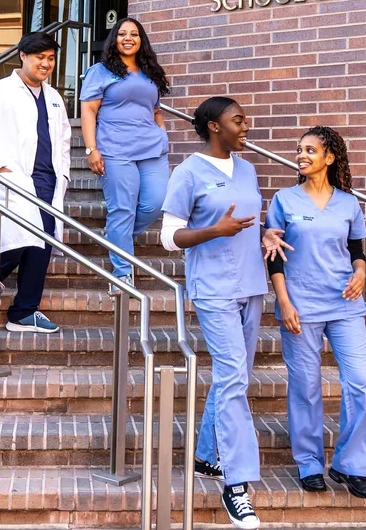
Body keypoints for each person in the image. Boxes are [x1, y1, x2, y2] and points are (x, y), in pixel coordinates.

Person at [160, 96, 266, 530]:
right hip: (214, 288)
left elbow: (250, 223)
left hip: (251, 285)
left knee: (230, 377)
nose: (246, 125)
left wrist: (269, 233)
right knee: (235, 377)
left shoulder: (247, 169)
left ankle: (206, 457)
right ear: (213, 126)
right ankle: (236, 484)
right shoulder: (188, 172)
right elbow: (169, 237)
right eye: (238, 120)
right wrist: (213, 231)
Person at [263, 126, 366, 499]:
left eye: (311, 149)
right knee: (306, 388)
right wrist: (283, 301)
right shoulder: (284, 200)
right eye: (299, 149)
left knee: (359, 379)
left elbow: (357, 250)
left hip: (345, 304)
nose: (302, 155)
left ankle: (349, 464)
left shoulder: (348, 203)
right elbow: (274, 257)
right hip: (301, 306)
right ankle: (310, 462)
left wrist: (360, 272)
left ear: (330, 157)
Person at [0, 32, 72, 334]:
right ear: (23, 56)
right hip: (13, 178)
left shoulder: (53, 98)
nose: (46, 64)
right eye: (40, 57)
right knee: (20, 237)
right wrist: (0, 167)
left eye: (51, 59)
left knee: (43, 243)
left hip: (47, 179)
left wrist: (62, 172)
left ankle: (24, 312)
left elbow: (63, 138)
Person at [80, 17, 171, 285]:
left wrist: (163, 136)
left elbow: (155, 110)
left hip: (152, 148)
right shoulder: (101, 71)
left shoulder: (150, 71)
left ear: (141, 40)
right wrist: (91, 149)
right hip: (115, 149)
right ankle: (122, 273)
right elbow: (88, 110)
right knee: (123, 209)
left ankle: (117, 235)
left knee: (155, 202)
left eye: (134, 34)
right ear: (114, 39)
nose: (128, 38)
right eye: (122, 34)